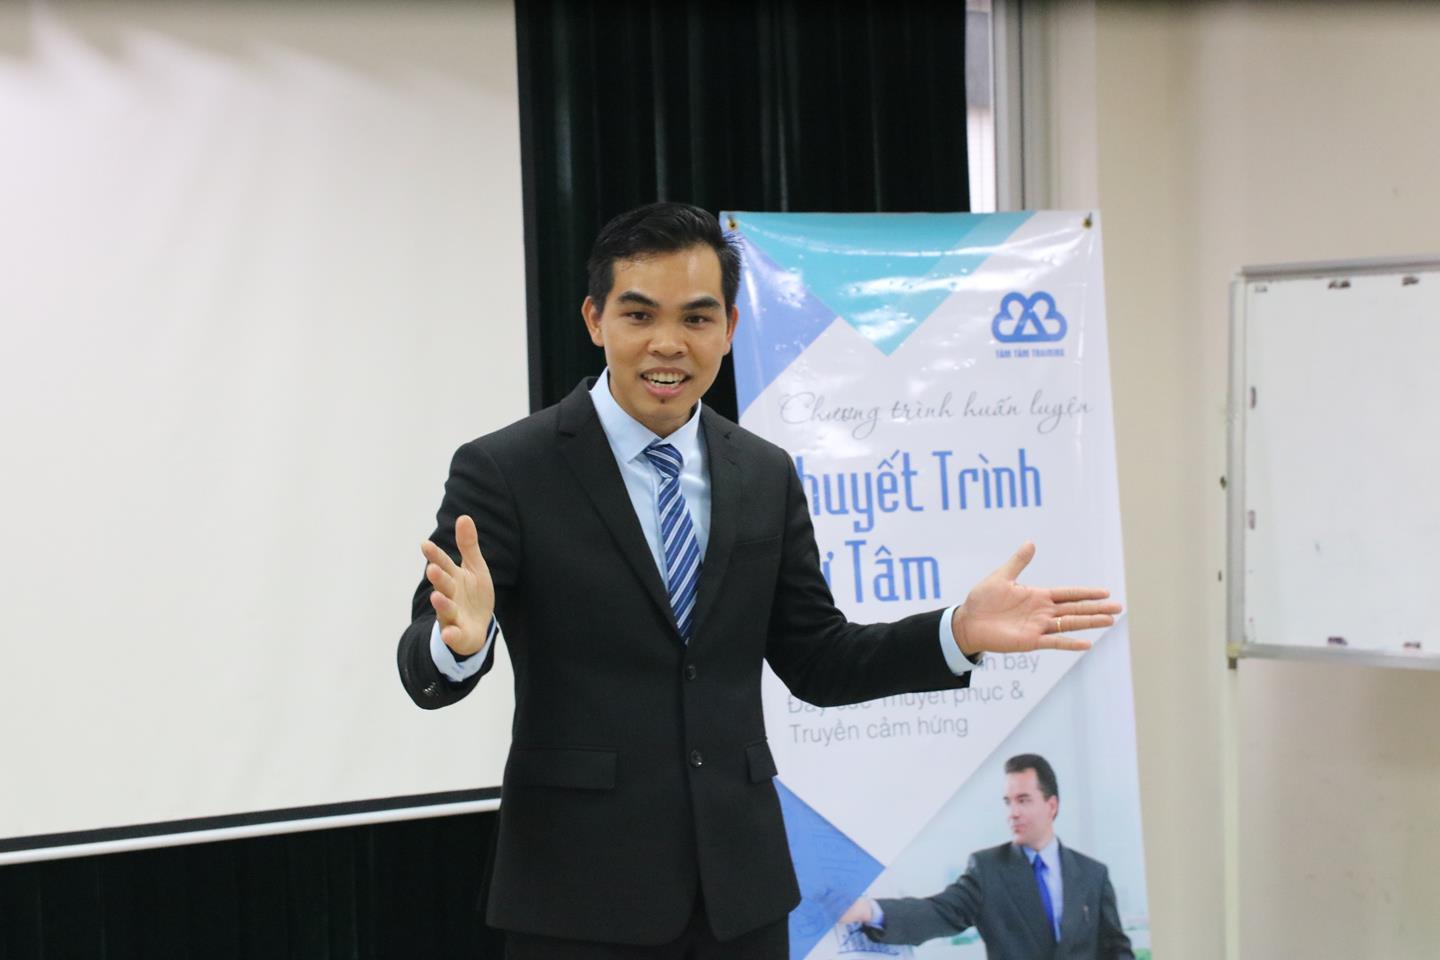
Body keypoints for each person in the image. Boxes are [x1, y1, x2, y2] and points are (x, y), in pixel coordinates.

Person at [396, 202, 1121, 959]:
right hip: (576, 893)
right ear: (594, 319)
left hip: (740, 895)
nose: (668, 344)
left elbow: (819, 659)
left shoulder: (764, 473)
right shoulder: (508, 469)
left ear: (730, 328)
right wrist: (460, 645)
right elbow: (425, 658)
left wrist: (956, 632)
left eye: (697, 318)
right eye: (639, 315)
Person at [840, 754, 1134, 960]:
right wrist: (869, 910)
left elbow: (1116, 949)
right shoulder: (988, 869)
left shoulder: (1093, 874)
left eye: (1023, 800)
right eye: (1008, 802)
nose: (1013, 813)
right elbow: (939, 912)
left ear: (1052, 805)